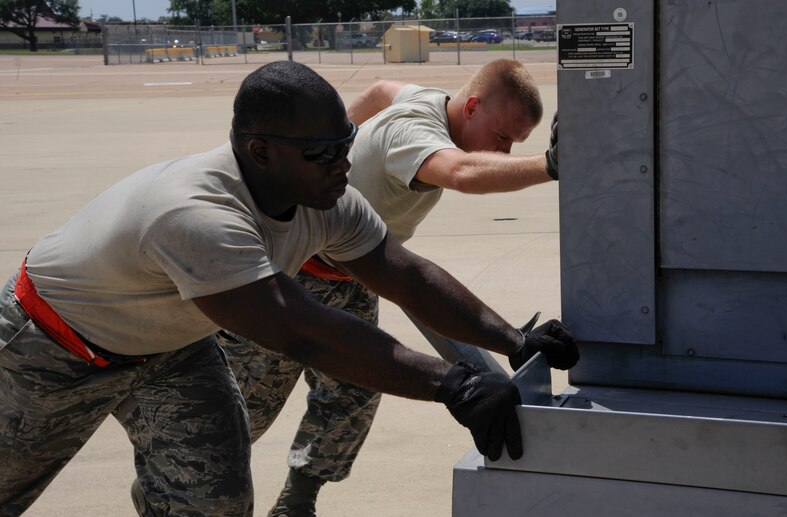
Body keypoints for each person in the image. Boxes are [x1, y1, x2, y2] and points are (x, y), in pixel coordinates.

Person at [0, 61, 577, 517]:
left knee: (215, 503)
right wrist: (454, 385)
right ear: (261, 152)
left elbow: (404, 274)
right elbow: (301, 331)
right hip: (49, 346)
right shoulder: (198, 215)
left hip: (170, 352)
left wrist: (514, 341)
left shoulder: (324, 193)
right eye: (321, 153)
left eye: (345, 144)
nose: (342, 165)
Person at [219, 59, 563, 516]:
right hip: (295, 269)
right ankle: (178, 497)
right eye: (502, 138)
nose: (501, 153)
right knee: (243, 410)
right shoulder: (417, 135)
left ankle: (295, 504)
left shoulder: (429, 99)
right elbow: (460, 172)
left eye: (513, 145)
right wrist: (549, 164)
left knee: (353, 392)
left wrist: (336, 143)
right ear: (474, 107)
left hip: (354, 270)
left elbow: (382, 89)